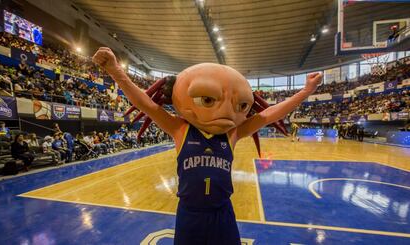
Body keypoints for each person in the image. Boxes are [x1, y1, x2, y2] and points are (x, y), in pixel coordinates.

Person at [93, 47, 321, 244]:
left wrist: (305, 91)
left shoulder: (232, 133)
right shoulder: (180, 130)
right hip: (189, 212)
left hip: (222, 212)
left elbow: (269, 114)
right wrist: (115, 70)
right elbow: (146, 104)